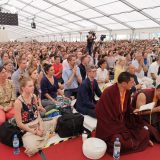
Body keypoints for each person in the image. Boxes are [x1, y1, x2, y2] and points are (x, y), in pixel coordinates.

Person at [96, 72, 150, 154]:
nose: (134, 84)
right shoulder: (108, 92)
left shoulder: (127, 92)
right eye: (131, 82)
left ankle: (137, 141)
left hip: (123, 122)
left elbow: (127, 107)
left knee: (144, 131)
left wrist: (133, 110)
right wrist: (119, 125)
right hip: (110, 126)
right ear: (124, 84)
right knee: (117, 140)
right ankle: (135, 142)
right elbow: (100, 112)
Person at [14, 76, 58, 157]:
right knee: (31, 150)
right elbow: (19, 124)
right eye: (30, 86)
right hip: (27, 130)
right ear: (23, 88)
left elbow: (37, 115)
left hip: (38, 124)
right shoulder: (18, 102)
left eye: (33, 85)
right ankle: (46, 135)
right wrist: (35, 132)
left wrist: (41, 126)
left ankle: (43, 135)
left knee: (58, 120)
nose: (33, 87)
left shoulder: (33, 96)